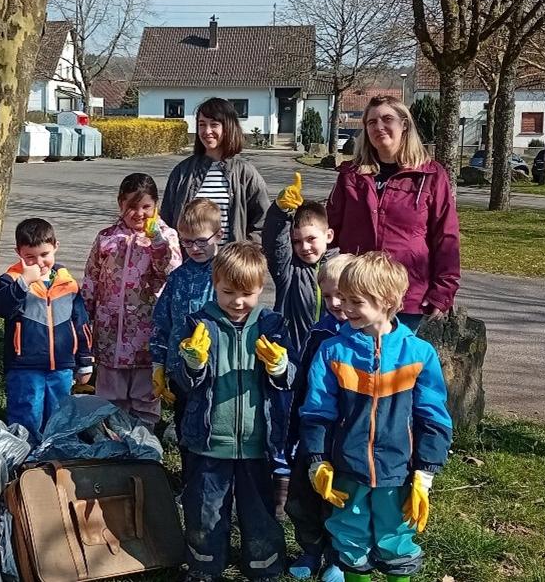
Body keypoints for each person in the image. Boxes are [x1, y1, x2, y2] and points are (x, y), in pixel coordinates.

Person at [298, 252, 453, 582]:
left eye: (355, 300)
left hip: (398, 471)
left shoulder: (419, 354)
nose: (345, 306)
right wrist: (317, 460)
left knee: (395, 539)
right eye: (341, 297)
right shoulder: (333, 351)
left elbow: (434, 418)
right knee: (349, 540)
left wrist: (426, 472)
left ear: (386, 302)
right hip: (346, 469)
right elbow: (317, 410)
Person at [172, 241, 294, 581]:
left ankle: (263, 565)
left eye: (247, 294)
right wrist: (193, 365)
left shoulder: (272, 325)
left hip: (257, 442)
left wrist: (281, 367)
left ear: (261, 288)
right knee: (206, 510)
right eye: (228, 292)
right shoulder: (199, 324)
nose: (237, 302)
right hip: (209, 442)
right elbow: (184, 383)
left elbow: (290, 379)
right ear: (214, 282)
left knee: (260, 511)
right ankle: (204, 564)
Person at [325, 95, 460, 329]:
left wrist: (443, 290)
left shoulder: (431, 176)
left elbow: (446, 237)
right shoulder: (351, 176)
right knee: (354, 363)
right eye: (371, 122)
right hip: (356, 296)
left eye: (387, 119)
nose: (379, 127)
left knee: (398, 365)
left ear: (404, 124)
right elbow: (329, 229)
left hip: (406, 296)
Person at [81, 173, 181, 427]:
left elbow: (171, 272)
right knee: (110, 394)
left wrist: (157, 242)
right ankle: (112, 437)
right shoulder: (107, 237)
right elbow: (91, 278)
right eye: (132, 207)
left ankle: (143, 440)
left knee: (144, 393)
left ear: (155, 206)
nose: (139, 213)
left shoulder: (166, 236)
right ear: (120, 204)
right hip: (110, 331)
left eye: (146, 207)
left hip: (146, 332)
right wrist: (85, 314)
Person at [0, 217, 94, 441]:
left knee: (59, 416)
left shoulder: (68, 283)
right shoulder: (11, 280)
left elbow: (81, 323)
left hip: (62, 367)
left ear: (55, 247)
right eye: (30, 256)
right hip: (24, 366)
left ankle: (56, 458)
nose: (39, 262)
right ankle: (25, 463)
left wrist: (85, 361)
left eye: (44, 254)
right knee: (26, 415)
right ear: (18, 252)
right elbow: (0, 308)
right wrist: (23, 283)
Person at [284, 254, 352, 582]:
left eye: (343, 294)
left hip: (346, 437)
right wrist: (292, 432)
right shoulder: (318, 332)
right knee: (303, 497)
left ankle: (338, 557)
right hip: (313, 430)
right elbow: (301, 387)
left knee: (339, 499)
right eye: (328, 296)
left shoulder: (364, 336)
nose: (336, 302)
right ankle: (310, 549)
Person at [149, 198, 222, 441]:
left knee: (213, 424)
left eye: (201, 240)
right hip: (181, 369)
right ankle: (188, 470)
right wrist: (158, 364)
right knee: (185, 426)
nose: (194, 248)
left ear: (218, 235)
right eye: (187, 241)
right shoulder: (178, 278)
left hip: (217, 368)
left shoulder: (225, 273)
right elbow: (162, 323)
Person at [162, 97, 271, 244]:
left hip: (231, 264)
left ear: (228, 128)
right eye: (202, 124)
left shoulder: (246, 174)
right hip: (190, 263)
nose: (207, 131)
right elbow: (167, 223)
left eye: (214, 125)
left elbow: (263, 223)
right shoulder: (182, 172)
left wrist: (244, 255)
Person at [265, 172, 339, 362]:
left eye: (311, 239)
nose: (304, 247)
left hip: (331, 358)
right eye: (296, 241)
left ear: (329, 236)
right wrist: (279, 212)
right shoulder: (288, 271)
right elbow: (275, 245)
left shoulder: (343, 268)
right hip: (293, 355)